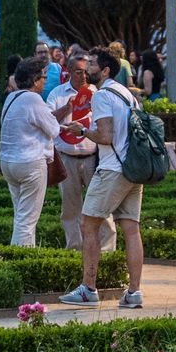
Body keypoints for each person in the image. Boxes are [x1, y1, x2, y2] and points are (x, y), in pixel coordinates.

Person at [58, 50, 145, 309]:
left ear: (105, 70)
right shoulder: (128, 94)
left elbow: (105, 136)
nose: (87, 69)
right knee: (131, 229)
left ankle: (88, 289)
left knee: (88, 224)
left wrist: (83, 130)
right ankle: (133, 292)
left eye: (93, 65)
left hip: (111, 168)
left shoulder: (103, 96)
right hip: (133, 168)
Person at [48, 52, 115, 251]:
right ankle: (75, 249)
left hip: (94, 157)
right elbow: (47, 120)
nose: (84, 76)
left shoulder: (97, 92)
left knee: (103, 205)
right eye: (78, 72)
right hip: (67, 158)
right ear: (69, 72)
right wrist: (67, 108)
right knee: (70, 208)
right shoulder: (58, 94)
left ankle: (107, 251)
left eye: (86, 71)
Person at [0, 57, 61, 247]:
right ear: (35, 79)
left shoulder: (11, 97)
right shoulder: (33, 99)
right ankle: (21, 263)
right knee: (27, 220)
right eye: (43, 77)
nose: (45, 81)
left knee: (21, 215)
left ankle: (24, 257)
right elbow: (54, 129)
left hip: (8, 163)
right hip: (30, 163)